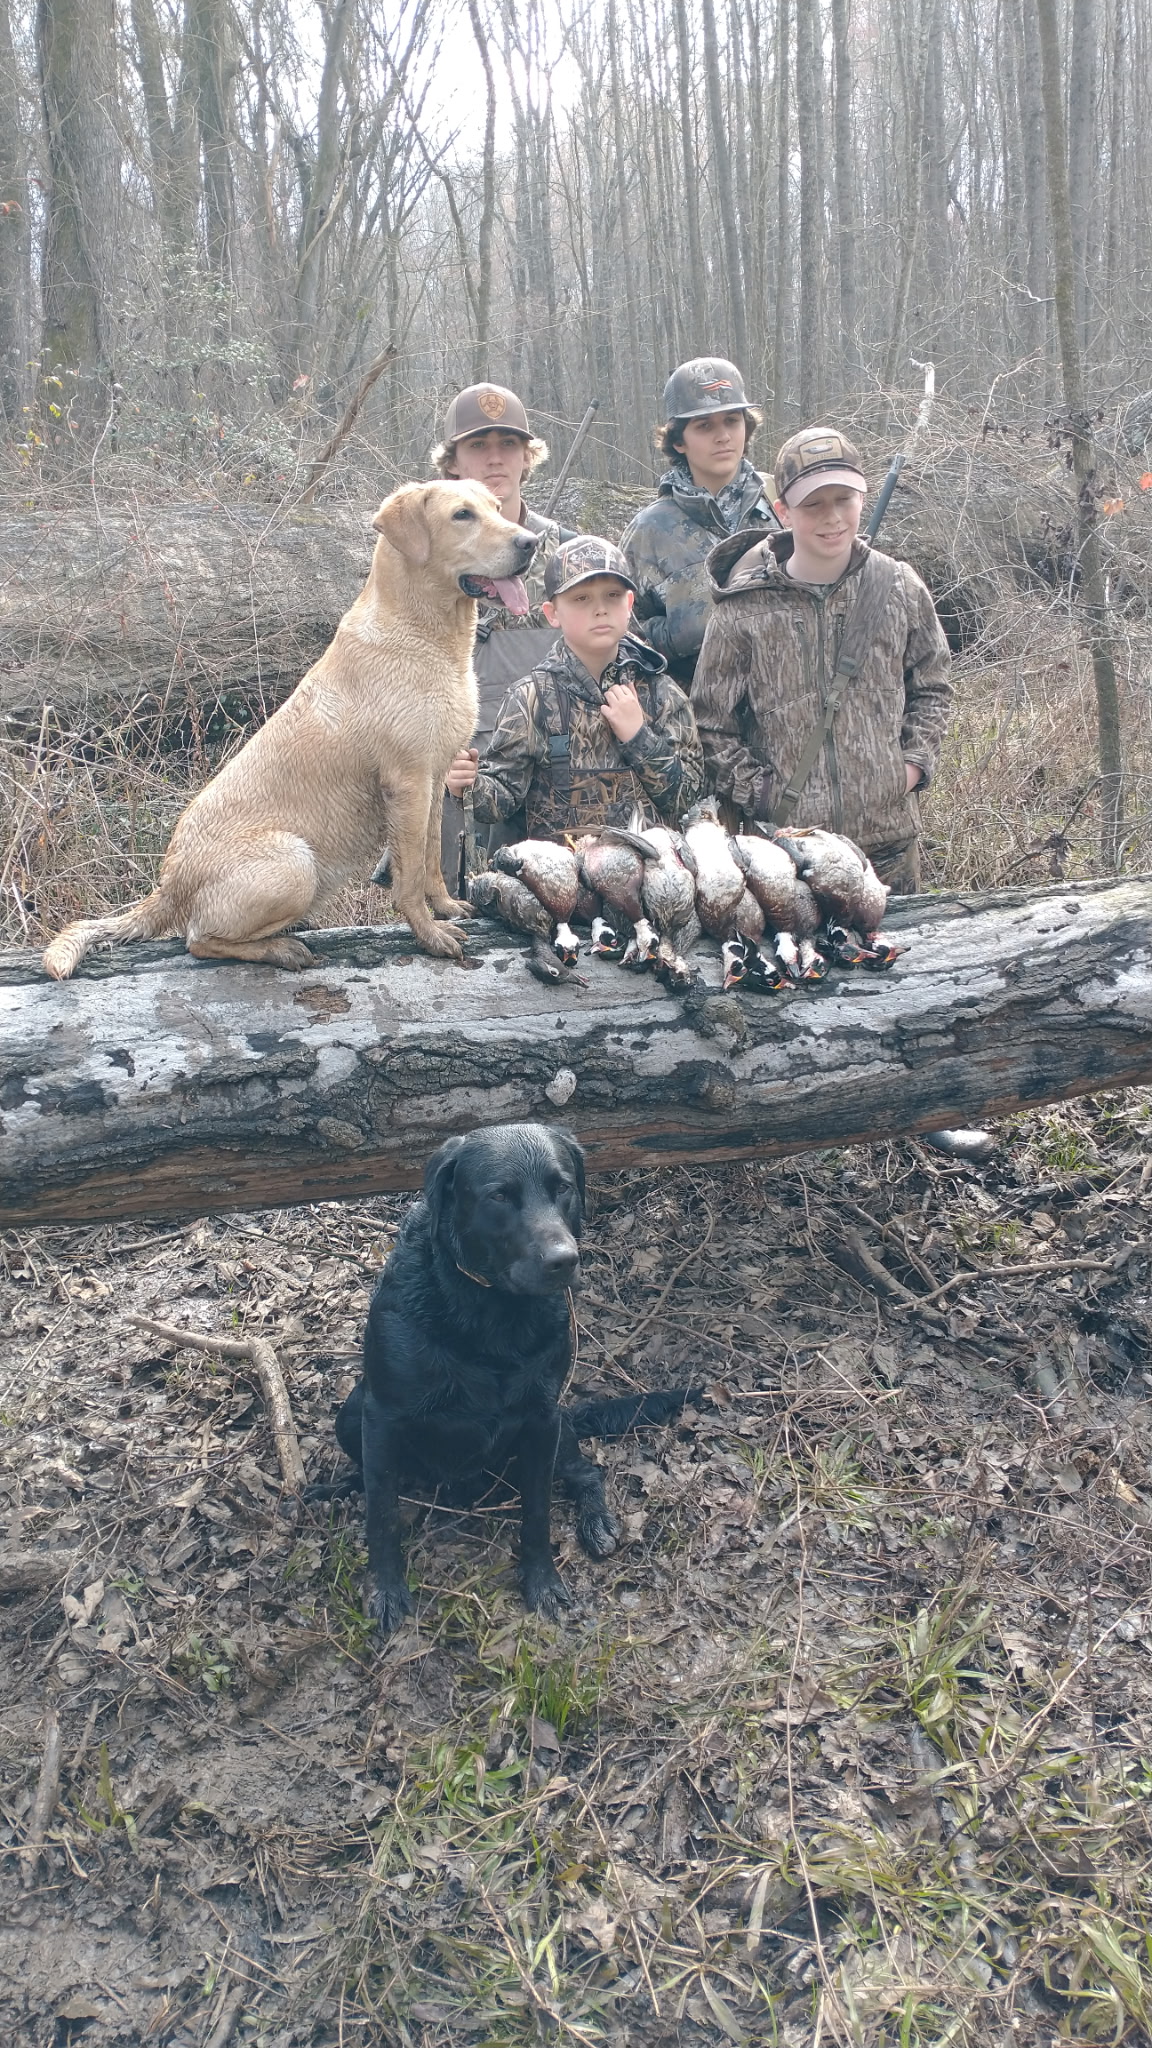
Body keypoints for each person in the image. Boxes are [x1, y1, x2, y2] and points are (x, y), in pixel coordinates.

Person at [693, 424, 990, 1158]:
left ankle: (922, 1116)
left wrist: (912, 765)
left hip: (886, 839)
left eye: (844, 500)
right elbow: (711, 723)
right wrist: (760, 793)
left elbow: (934, 685)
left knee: (907, 982)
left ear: (861, 500)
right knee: (796, 984)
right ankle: (809, 1127)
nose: (831, 518)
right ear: (782, 509)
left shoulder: (899, 586)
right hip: (785, 852)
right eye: (813, 503)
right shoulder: (743, 608)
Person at [446, 536, 704, 840]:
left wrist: (639, 738)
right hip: (557, 869)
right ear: (552, 613)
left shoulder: (663, 694)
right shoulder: (530, 699)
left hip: (648, 868)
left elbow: (688, 800)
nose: (600, 609)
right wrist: (467, 785)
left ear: (629, 604)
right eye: (582, 598)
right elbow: (501, 801)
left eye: (612, 595)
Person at [426, 383, 576, 884]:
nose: (495, 458)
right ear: (453, 462)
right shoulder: (426, 562)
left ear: (527, 456)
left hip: (559, 782)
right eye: (478, 445)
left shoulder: (569, 555)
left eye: (509, 444)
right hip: (465, 778)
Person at [620, 357, 781, 687]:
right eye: (705, 426)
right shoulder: (649, 531)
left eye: (732, 421)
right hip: (691, 709)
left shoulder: (783, 506)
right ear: (679, 440)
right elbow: (621, 639)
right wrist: (681, 632)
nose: (723, 436)